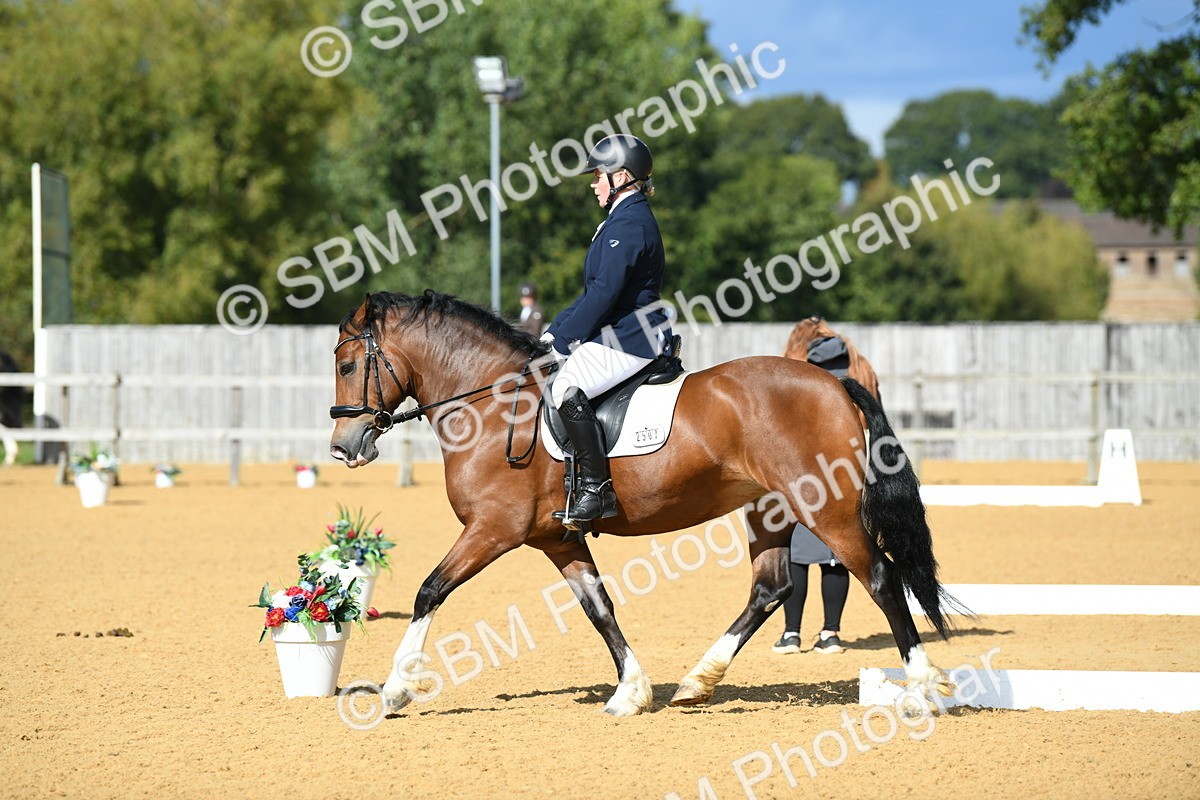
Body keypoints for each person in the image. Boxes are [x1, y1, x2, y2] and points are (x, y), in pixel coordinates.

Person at [541, 134, 670, 524]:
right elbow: (589, 295)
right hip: (619, 335)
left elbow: (604, 294)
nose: (593, 182)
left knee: (565, 388)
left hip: (632, 338)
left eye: (599, 174)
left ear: (623, 177)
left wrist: (565, 343)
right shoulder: (620, 220)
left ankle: (596, 490)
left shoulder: (630, 223)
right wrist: (554, 331)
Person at [772, 317, 881, 655]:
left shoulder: (798, 370)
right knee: (838, 553)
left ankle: (791, 633)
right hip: (851, 464)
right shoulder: (861, 367)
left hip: (808, 467)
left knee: (799, 552)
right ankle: (830, 633)